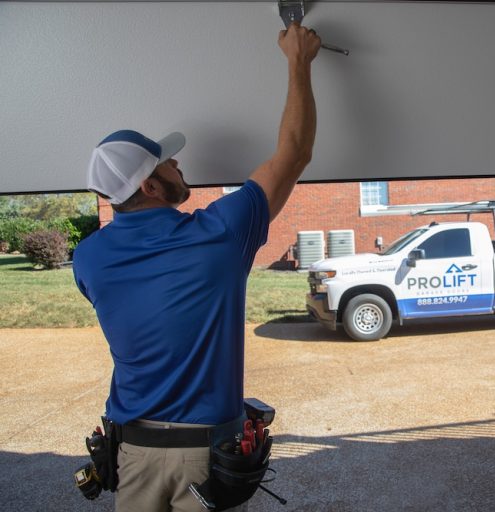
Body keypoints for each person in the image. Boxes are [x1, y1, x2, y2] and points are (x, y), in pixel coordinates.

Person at [72, 23, 321, 512]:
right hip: (202, 462)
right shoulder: (221, 234)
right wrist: (299, 61)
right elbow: (294, 153)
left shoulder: (88, 258)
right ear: (149, 186)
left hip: (132, 457)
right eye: (167, 163)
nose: (178, 164)